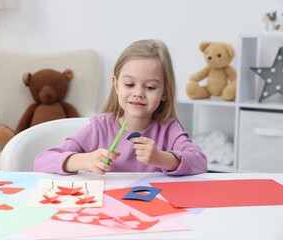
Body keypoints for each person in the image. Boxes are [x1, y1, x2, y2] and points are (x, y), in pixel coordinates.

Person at [34, 39, 207, 175]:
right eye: (130, 84)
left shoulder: (168, 130)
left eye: (151, 87)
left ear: (164, 92)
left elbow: (200, 162)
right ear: (116, 85)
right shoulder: (100, 128)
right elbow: (42, 161)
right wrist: (85, 160)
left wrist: (161, 158)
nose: (138, 93)